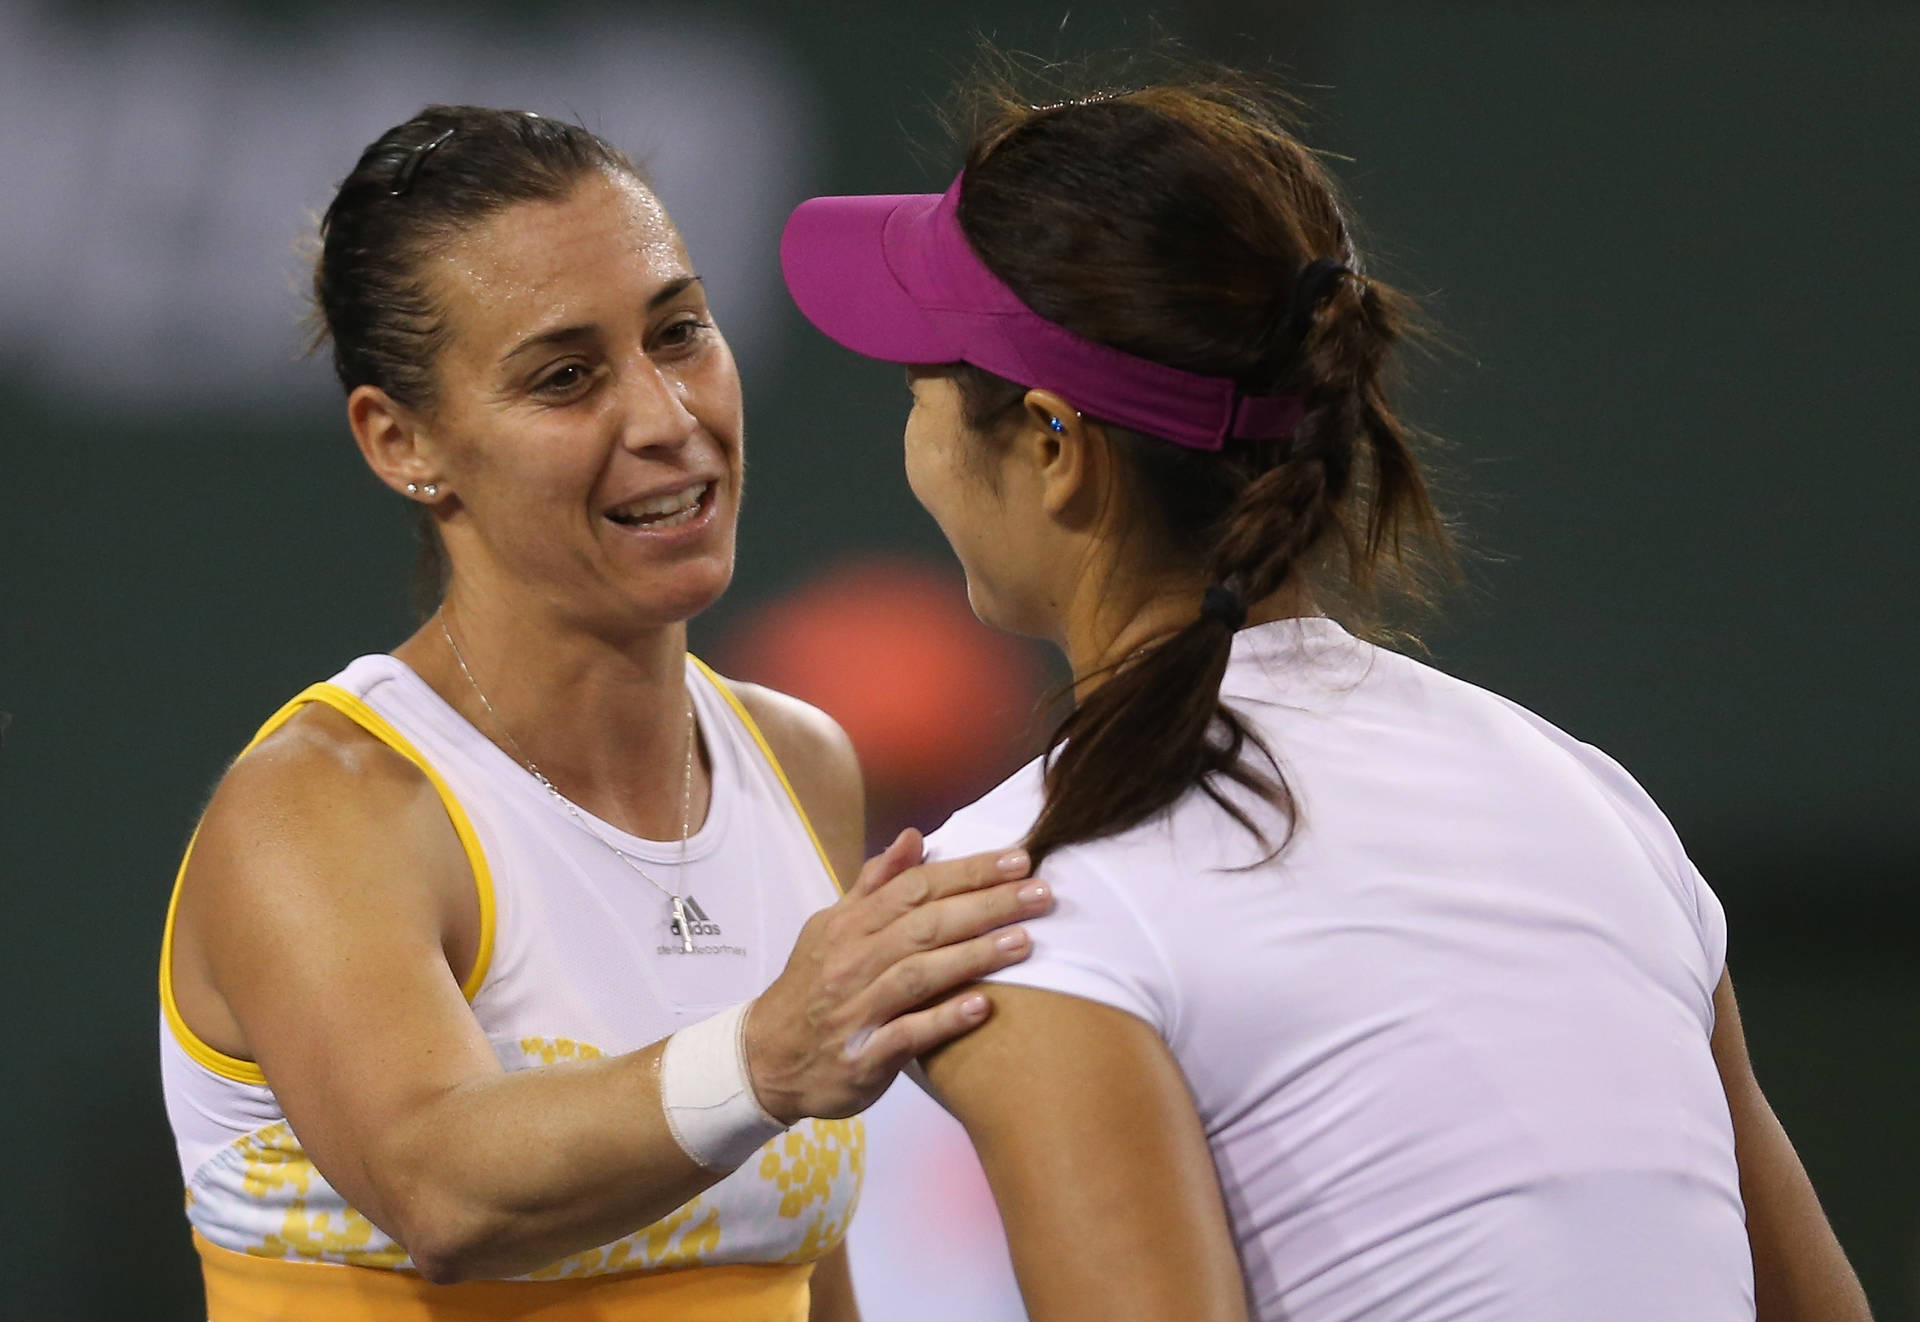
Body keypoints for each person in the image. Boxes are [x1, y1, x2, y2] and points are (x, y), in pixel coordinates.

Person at [779, 73, 1874, 1322]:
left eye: (923, 375)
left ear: (1050, 443)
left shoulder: (1011, 894)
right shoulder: (1597, 801)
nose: (910, 422)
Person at [158, 105, 1055, 1321]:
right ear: (402, 438)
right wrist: (763, 1054)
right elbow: (441, 1191)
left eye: (680, 332)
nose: (666, 415)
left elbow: (805, 1271)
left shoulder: (804, 765)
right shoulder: (325, 805)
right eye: (566, 376)